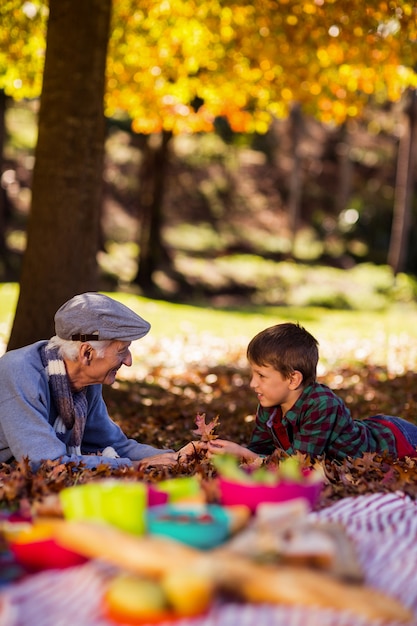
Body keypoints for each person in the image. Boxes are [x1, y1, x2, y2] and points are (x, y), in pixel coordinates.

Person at [0, 292, 199, 470]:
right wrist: (136, 466)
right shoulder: (21, 374)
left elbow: (114, 445)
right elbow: (46, 464)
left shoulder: (85, 384)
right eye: (122, 351)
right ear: (86, 353)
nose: (129, 361)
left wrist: (174, 457)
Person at [207, 322, 417, 463]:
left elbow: (299, 465)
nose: (253, 384)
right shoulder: (269, 404)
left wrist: (246, 456)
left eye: (261, 376)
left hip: (397, 439)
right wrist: (227, 452)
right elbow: (260, 450)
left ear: (292, 379)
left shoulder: (322, 404)